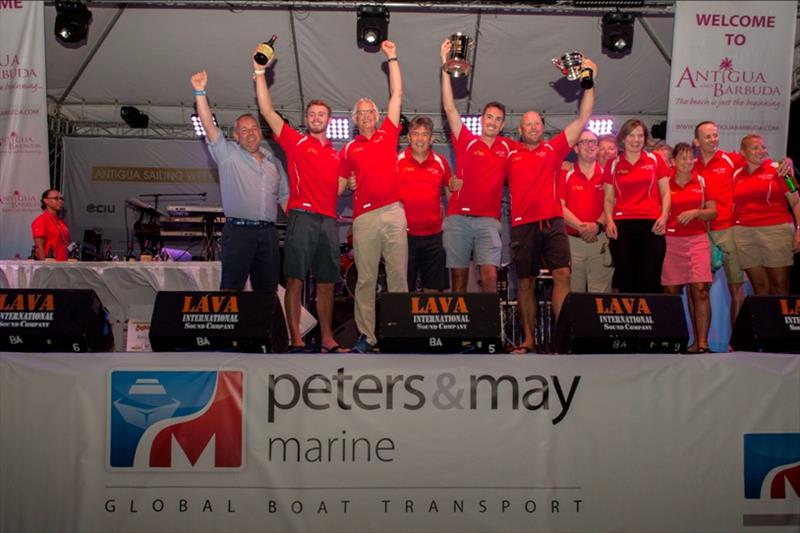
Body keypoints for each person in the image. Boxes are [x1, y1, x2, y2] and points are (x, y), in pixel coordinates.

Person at [253, 52, 348, 353]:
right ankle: (296, 337)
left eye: (322, 115)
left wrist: (352, 185)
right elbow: (267, 111)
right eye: (312, 115)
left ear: (329, 120)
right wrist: (259, 73)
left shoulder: (338, 154)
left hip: (329, 222)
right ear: (307, 119)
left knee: (327, 283)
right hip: (302, 217)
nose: (317, 118)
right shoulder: (296, 142)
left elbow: (342, 186)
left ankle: (328, 339)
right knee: (295, 279)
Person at [506, 58, 596, 354]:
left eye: (536, 123)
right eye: (527, 124)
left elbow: (583, 118)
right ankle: (529, 339)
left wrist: (589, 79)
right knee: (526, 283)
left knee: (563, 276)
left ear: (542, 127)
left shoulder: (553, 148)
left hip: (553, 221)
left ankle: (561, 337)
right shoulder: (511, 153)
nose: (532, 127)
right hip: (522, 225)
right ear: (520, 130)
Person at [190, 70, 289, 292]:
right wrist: (200, 92)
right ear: (236, 135)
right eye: (244, 130)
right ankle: (231, 329)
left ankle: (262, 328)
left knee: (267, 293)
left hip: (269, 235)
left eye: (254, 128)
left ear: (260, 133)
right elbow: (208, 125)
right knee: (231, 291)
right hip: (238, 233)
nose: (250, 133)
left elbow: (285, 197)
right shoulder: (228, 155)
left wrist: (299, 225)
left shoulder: (274, 161)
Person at [339, 40, 407, 353]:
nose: (366, 116)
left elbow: (397, 95)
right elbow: (339, 187)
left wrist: (392, 57)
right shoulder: (349, 149)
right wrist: (345, 185)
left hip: (393, 212)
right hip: (364, 216)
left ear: (377, 116)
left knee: (397, 276)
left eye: (370, 112)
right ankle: (368, 336)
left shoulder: (388, 134)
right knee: (366, 279)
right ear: (354, 119)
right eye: (360, 113)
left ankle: (399, 332)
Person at [440, 39, 512, 293]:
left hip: (489, 221)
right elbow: (449, 107)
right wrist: (444, 66)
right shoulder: (467, 141)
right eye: (489, 117)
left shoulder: (508, 147)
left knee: (490, 275)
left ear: (502, 125)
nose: (492, 122)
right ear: (482, 120)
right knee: (458, 280)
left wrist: (564, 168)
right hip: (458, 217)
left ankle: (490, 329)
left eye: (498, 119)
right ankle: (460, 329)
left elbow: (536, 159)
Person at [603, 119, 671, 294]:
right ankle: (629, 321)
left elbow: (665, 193)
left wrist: (664, 216)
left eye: (640, 135)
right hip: (622, 227)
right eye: (631, 135)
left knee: (651, 280)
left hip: (652, 225)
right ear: (623, 139)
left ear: (645, 138)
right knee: (626, 281)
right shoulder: (613, 164)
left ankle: (652, 320)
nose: (636, 140)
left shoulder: (655, 160)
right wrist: (609, 221)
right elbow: (609, 198)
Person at [662, 143, 717, 353]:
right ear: (673, 162)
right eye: (682, 158)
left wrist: (696, 212)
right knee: (671, 292)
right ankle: (673, 342)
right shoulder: (665, 183)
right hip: (671, 241)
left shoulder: (702, 181)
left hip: (697, 239)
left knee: (700, 290)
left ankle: (702, 343)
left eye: (690, 158)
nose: (687, 162)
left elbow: (713, 211)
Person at [732, 134, 800, 295]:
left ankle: (780, 320)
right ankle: (765, 320)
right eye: (755, 148)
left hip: (776, 231)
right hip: (744, 234)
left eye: (763, 147)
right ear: (743, 152)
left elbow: (796, 202)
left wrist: (799, 229)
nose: (761, 151)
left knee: (779, 285)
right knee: (759, 287)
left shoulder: (780, 170)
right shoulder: (736, 173)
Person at [397, 115, 452, 292]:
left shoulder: (441, 163)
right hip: (404, 237)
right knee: (404, 292)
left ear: (431, 138)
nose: (420, 139)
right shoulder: (396, 162)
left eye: (424, 134)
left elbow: (451, 195)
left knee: (434, 292)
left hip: (434, 238)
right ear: (409, 137)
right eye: (416, 134)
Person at [560, 129, 613, 294]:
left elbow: (612, 204)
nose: (590, 146)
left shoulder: (608, 175)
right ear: (576, 148)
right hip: (571, 242)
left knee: (601, 296)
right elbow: (559, 207)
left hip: (601, 241)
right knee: (573, 294)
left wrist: (597, 226)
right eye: (584, 142)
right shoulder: (565, 174)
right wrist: (582, 227)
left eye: (593, 142)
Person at [32, 189, 69, 261]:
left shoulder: (61, 222)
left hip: (64, 264)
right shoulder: (41, 220)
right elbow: (39, 247)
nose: (60, 201)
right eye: (56, 198)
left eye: (61, 198)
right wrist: (45, 267)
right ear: (46, 201)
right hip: (50, 265)